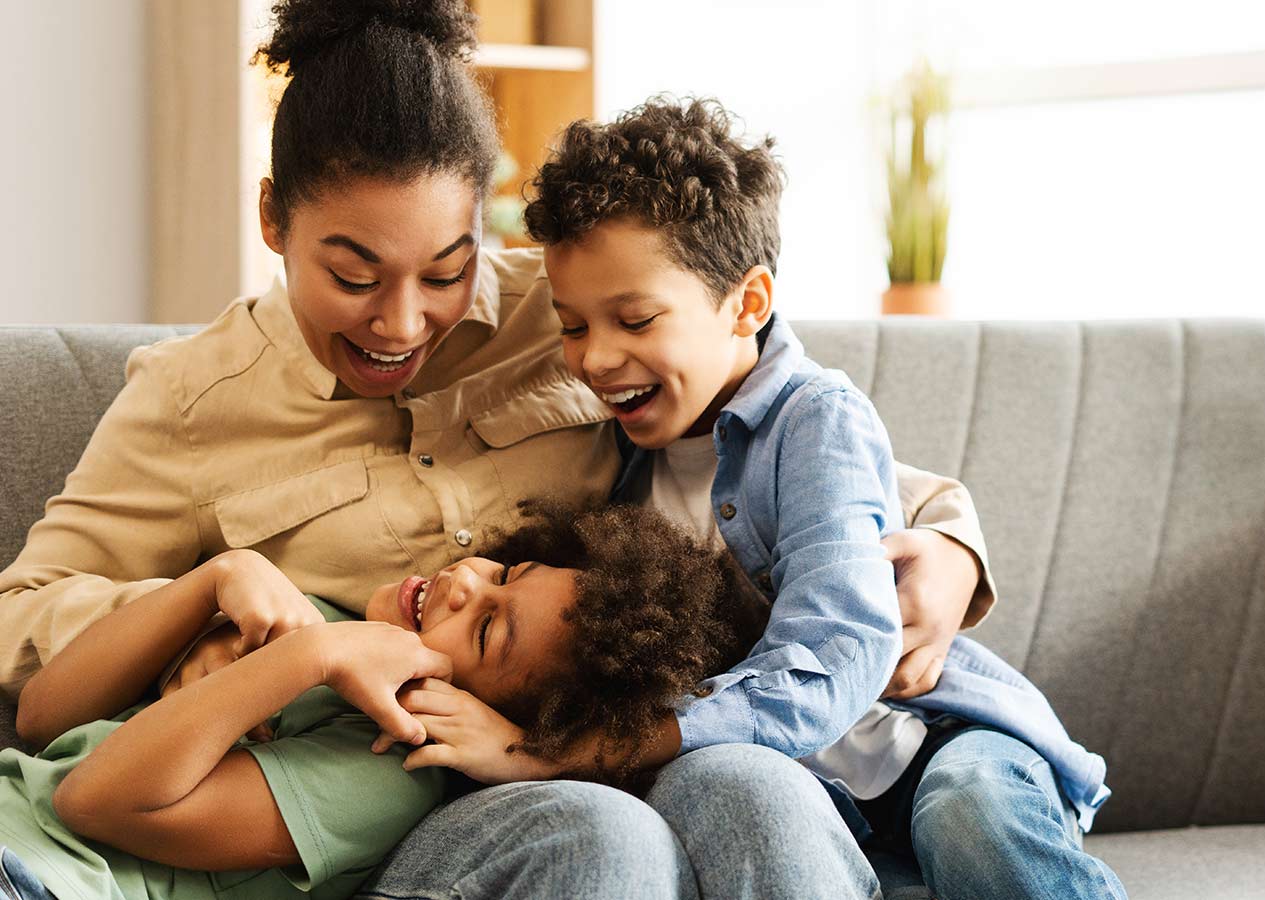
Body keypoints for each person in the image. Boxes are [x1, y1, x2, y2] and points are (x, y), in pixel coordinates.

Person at [0, 2, 996, 898]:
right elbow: (23, 622)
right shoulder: (187, 399)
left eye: (445, 267)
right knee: (598, 833)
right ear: (273, 218)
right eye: (353, 273)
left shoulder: (571, 313)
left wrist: (949, 548)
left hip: (533, 763)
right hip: (372, 795)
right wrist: (219, 622)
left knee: (707, 798)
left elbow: (773, 448)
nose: (401, 321)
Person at [521, 96, 1129, 900]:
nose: (596, 358)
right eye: (572, 325)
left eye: (634, 319)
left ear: (748, 303)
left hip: (930, 741)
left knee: (968, 815)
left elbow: (840, 644)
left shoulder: (816, 420)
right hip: (810, 793)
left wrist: (639, 737)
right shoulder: (614, 464)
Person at [3, 503, 760, 900]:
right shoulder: (324, 626)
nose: (467, 582)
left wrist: (309, 657)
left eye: (488, 628)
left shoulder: (385, 767)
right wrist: (215, 578)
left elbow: (91, 801)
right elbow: (41, 717)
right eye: (509, 569)